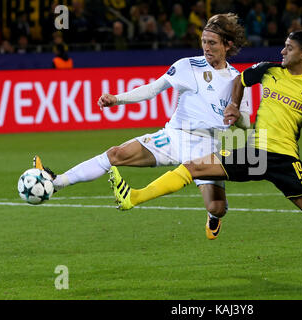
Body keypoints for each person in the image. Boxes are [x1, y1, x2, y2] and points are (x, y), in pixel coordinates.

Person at [109, 30, 302, 276]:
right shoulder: (269, 70)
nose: (282, 50)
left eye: (289, 47)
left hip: (286, 160)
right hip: (255, 152)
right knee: (194, 168)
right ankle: (134, 197)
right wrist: (233, 106)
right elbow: (239, 81)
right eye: (283, 45)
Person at [34, 13, 251, 240]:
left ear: (228, 45)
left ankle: (213, 216)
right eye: (204, 41)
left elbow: (246, 121)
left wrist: (237, 117)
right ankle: (58, 182)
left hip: (208, 148)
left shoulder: (238, 80)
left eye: (212, 43)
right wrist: (117, 99)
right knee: (117, 153)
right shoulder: (188, 66)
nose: (206, 47)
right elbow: (152, 89)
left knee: (218, 207)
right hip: (175, 136)